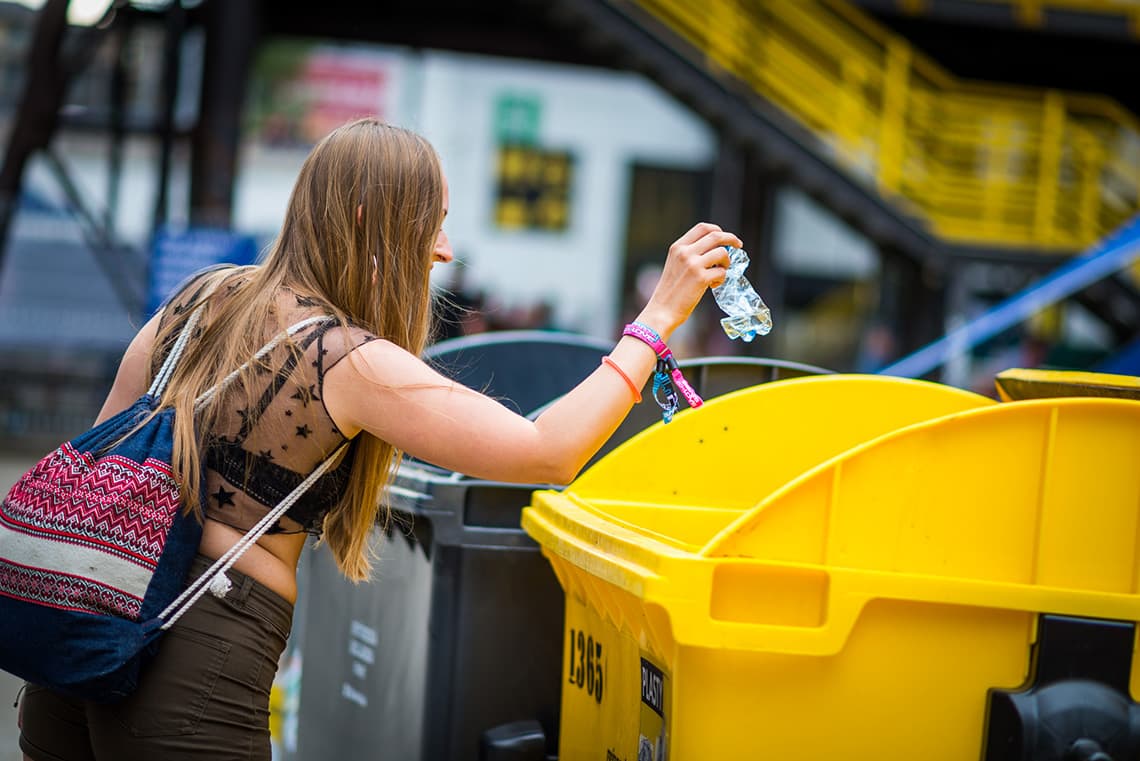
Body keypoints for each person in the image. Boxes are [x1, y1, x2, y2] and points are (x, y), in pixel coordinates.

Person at [16, 117, 739, 761]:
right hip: (199, 652)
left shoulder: (200, 297)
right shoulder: (346, 359)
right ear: (371, 220)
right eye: (435, 222)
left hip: (84, 629)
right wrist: (656, 319)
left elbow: (99, 447)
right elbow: (547, 450)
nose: (446, 250)